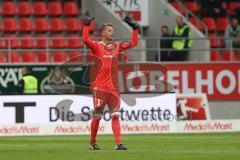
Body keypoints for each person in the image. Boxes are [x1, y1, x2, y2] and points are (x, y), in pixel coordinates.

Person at [82, 12, 139, 150]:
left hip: (114, 88)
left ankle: (119, 143)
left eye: (113, 31)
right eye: (109, 31)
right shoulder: (96, 46)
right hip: (100, 88)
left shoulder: (117, 46)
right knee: (97, 116)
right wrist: (86, 25)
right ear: (102, 33)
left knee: (115, 116)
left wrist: (135, 28)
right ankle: (93, 143)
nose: (112, 33)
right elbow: (85, 40)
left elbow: (134, 42)